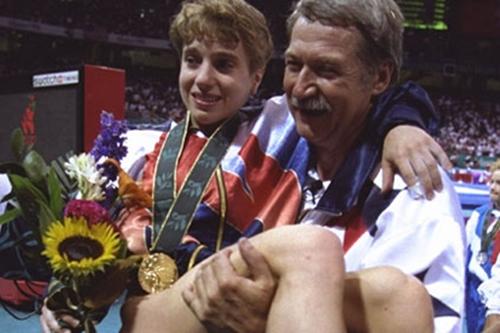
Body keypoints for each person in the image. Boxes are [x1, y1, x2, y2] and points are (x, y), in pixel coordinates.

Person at [40, 0, 453, 332]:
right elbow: (86, 242)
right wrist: (65, 298)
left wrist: (403, 124)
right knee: (312, 246)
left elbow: (396, 98)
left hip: (252, 293)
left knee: (401, 294)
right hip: (161, 309)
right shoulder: (263, 127)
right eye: (293, 65)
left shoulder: (407, 175)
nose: (301, 86)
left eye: (326, 69)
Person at [466, 159, 500, 333]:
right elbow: (464, 252)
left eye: (499, 183)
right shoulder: (478, 214)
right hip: (473, 288)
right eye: (492, 182)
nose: (493, 187)